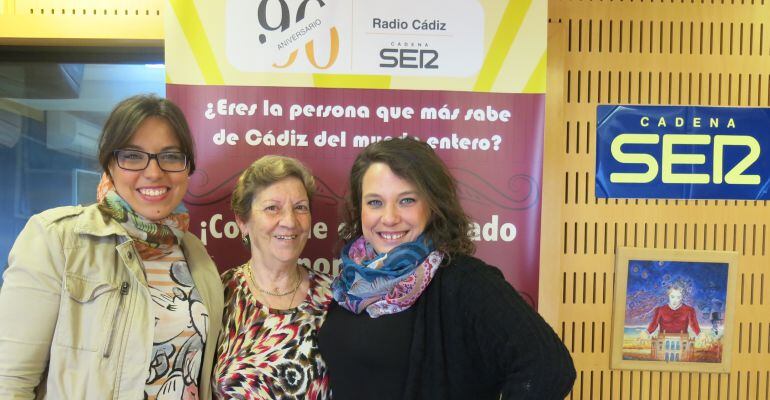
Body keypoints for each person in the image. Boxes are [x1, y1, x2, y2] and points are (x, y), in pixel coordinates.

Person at [0, 94, 224, 399]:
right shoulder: (57, 239)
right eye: (132, 155)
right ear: (110, 164)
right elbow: (10, 382)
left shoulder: (196, 254)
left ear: (187, 168)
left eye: (170, 156)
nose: (154, 172)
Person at [318, 138, 576, 400]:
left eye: (406, 200)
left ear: (432, 205)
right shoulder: (350, 282)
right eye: (375, 202)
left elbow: (549, 368)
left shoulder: (465, 281)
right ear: (359, 208)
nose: (389, 217)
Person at [213, 155, 333, 399]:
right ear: (242, 221)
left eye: (300, 207)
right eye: (272, 208)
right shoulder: (219, 296)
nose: (289, 221)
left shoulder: (335, 298)